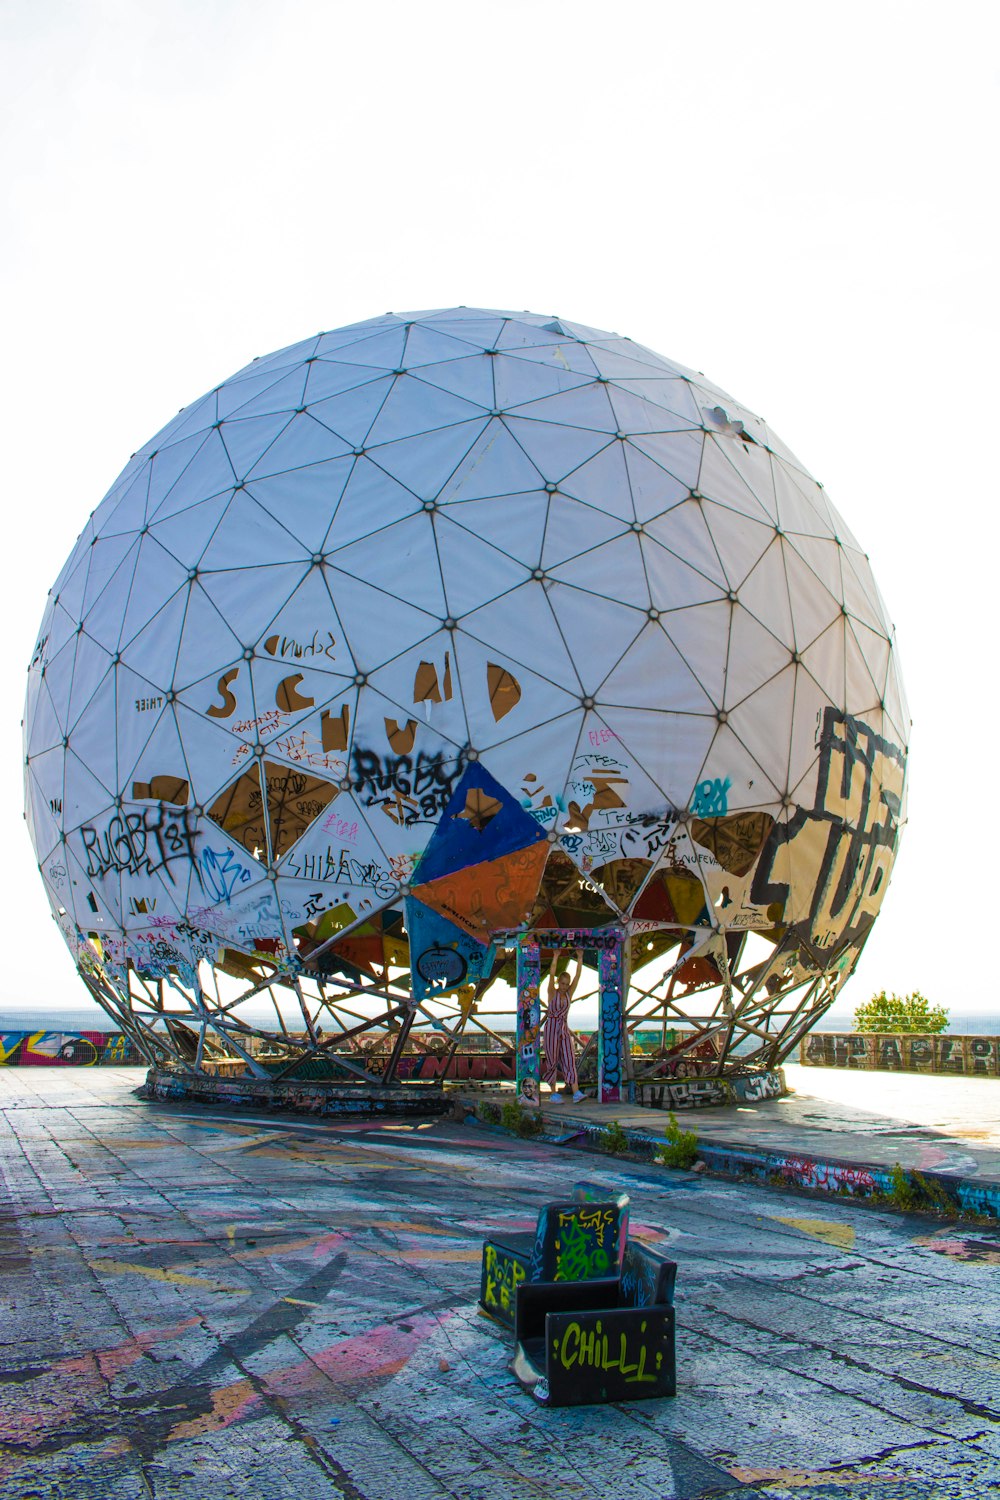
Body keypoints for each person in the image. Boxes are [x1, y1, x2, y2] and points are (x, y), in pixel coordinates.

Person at [543, 949, 584, 1102]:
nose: (565, 986)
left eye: (567, 984)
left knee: (569, 1057)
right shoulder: (552, 993)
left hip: (563, 1027)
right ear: (558, 983)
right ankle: (553, 1092)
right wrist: (555, 956)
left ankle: (576, 1092)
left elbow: (578, 976)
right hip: (552, 1028)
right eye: (563, 983)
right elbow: (552, 974)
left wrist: (580, 958)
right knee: (552, 1059)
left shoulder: (568, 994)